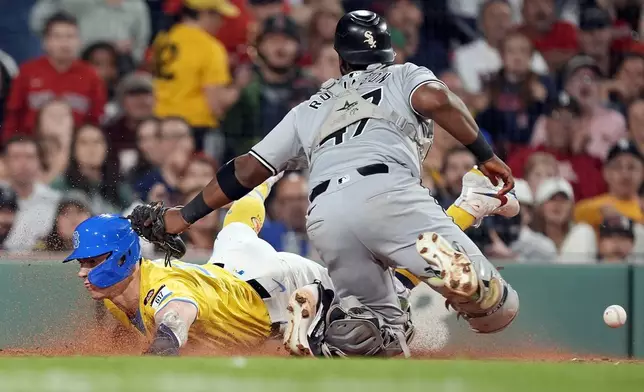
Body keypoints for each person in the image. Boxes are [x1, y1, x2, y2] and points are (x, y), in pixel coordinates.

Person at [131, 10, 520, 358]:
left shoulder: (310, 107)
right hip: (390, 195)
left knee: (377, 335)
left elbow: (248, 169)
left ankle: (352, 326)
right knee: (499, 311)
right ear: (388, 51)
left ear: (340, 58)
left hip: (327, 214)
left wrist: (184, 216)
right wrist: (484, 153)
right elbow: (436, 98)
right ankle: (470, 271)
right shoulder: (402, 74)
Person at [151, 0, 242, 155]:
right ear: (205, 14)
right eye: (218, 15)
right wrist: (239, 85)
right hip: (195, 128)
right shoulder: (210, 47)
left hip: (160, 124)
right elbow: (216, 105)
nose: (221, 22)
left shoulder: (163, 39)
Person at [2, 12, 106, 140]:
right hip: (32, 147)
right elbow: (13, 116)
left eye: (70, 36)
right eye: (57, 36)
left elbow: (96, 119)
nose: (64, 43)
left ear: (79, 41)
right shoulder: (27, 71)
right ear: (45, 42)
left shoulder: (91, 76)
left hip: (74, 150)